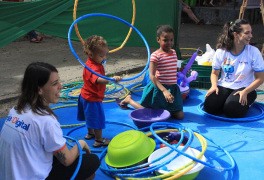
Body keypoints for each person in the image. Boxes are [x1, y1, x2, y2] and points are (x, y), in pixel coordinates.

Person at [0, 62, 100, 180]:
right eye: (54, 83)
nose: (60, 86)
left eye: (59, 81)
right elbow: (66, 160)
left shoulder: (16, 110)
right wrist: (81, 144)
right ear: (39, 90)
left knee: (54, 152)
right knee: (92, 161)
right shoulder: (46, 120)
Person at [119, 25, 184, 120]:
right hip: (159, 89)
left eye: (171, 40)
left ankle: (166, 108)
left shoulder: (173, 52)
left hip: (172, 89)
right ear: (158, 40)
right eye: (165, 40)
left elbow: (172, 68)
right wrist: (164, 90)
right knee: (150, 114)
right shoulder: (155, 56)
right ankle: (129, 100)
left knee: (180, 115)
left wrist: (180, 70)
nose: (169, 43)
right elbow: (152, 76)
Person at [204, 19, 264, 118]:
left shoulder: (254, 52)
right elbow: (214, 73)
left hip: (245, 88)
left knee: (232, 111)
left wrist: (245, 91)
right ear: (236, 34)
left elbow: (260, 78)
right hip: (224, 85)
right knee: (210, 107)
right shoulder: (221, 51)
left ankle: (249, 100)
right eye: (247, 33)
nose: (251, 36)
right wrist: (214, 86)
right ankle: (227, 100)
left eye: (251, 32)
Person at [77, 35, 122, 147]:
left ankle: (90, 133)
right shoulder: (94, 68)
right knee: (97, 119)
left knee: (89, 116)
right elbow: (98, 79)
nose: (104, 57)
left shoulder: (91, 62)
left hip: (85, 95)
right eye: (101, 55)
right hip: (92, 98)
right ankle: (99, 140)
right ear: (91, 54)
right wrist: (111, 79)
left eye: (105, 54)